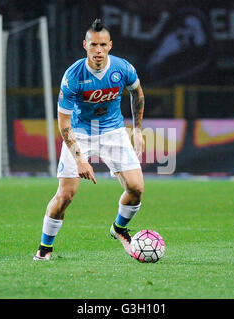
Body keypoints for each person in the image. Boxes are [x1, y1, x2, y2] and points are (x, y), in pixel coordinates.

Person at [33, 19, 146, 260]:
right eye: (93, 44)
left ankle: (119, 229)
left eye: (102, 45)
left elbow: (137, 93)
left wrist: (137, 130)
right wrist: (80, 159)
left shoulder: (122, 68)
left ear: (110, 46)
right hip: (80, 132)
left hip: (112, 130)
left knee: (136, 188)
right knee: (66, 195)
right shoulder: (73, 76)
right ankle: (44, 249)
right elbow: (63, 123)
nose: (98, 50)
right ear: (85, 45)